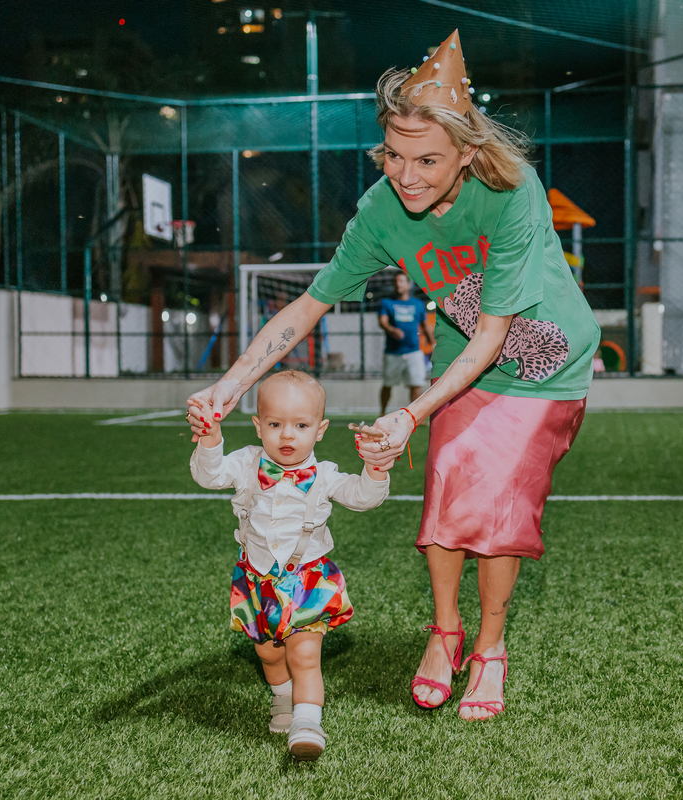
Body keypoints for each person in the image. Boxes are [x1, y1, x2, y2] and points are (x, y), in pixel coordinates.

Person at [187, 29, 599, 722]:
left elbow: (495, 333)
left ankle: (490, 647)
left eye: (427, 159)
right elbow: (310, 303)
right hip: (460, 357)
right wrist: (229, 386)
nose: (406, 175)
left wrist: (411, 413)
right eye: (394, 155)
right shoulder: (382, 211)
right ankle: (446, 632)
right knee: (447, 480)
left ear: (467, 153)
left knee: (498, 496)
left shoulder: (512, 192)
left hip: (545, 363)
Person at [187, 370, 391, 760]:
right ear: (258, 426)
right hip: (256, 579)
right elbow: (208, 475)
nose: (287, 435)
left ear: (320, 429)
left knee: (304, 655)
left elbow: (363, 497)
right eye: (275, 424)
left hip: (307, 579)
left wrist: (375, 468)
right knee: (268, 654)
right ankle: (282, 696)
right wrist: (211, 437)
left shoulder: (325, 475)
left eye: (301, 425)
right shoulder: (246, 464)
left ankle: (307, 722)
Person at [379, 272, 434, 417]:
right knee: (387, 384)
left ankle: (415, 416)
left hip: (414, 352)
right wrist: (392, 330)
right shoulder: (387, 303)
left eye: (402, 281)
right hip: (392, 352)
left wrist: (432, 343)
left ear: (409, 285)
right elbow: (382, 322)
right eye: (396, 281)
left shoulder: (417, 304)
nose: (398, 284)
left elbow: (425, 325)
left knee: (416, 385)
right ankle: (382, 412)